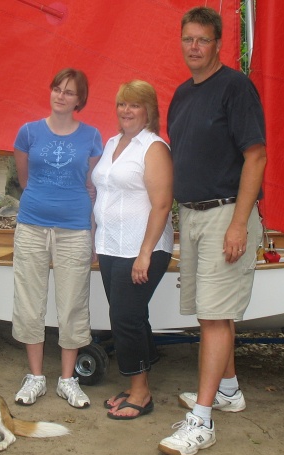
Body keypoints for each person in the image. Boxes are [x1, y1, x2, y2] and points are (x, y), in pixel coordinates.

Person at [158, 7, 266, 455]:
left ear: (219, 43)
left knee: (216, 316)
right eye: (188, 39)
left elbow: (256, 156)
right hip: (193, 215)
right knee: (210, 312)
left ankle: (201, 421)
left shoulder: (236, 88)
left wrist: (239, 223)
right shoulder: (182, 94)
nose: (195, 47)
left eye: (203, 39)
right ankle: (228, 390)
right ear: (181, 42)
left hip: (226, 213)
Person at [11, 68, 103, 409]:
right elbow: (25, 179)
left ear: (80, 100)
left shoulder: (92, 136)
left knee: (73, 302)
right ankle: (35, 376)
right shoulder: (28, 133)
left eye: (69, 92)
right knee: (29, 299)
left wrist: (93, 233)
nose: (61, 95)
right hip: (33, 225)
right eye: (57, 89)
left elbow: (93, 187)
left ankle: (67, 379)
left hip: (75, 228)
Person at [92, 80, 174, 420]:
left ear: (149, 111)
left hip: (142, 249)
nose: (126, 111)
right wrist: (96, 238)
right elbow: (103, 193)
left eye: (134, 105)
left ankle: (141, 393)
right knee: (131, 315)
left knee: (123, 317)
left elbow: (162, 204)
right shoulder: (113, 142)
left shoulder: (154, 148)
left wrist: (144, 253)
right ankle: (137, 380)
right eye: (122, 104)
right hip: (111, 246)